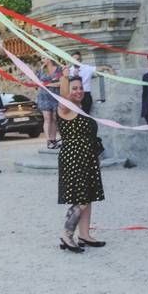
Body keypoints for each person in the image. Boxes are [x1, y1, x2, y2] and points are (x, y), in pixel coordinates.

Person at [56, 69, 106, 253]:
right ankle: (66, 233)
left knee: (88, 196)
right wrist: (64, 75)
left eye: (80, 87)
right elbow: (63, 95)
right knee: (81, 198)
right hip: (74, 157)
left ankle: (84, 234)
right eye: (74, 88)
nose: (78, 91)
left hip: (87, 156)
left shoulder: (80, 107)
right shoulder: (65, 106)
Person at [67, 51, 115, 115]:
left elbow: (101, 68)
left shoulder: (87, 68)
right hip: (73, 95)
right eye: (74, 59)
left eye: (78, 59)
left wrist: (110, 69)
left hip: (86, 95)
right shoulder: (68, 70)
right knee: (74, 115)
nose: (76, 61)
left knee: (86, 115)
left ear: (81, 60)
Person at [36, 59, 62, 149]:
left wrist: (46, 84)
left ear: (49, 58)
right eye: (41, 58)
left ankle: (54, 139)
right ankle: (49, 141)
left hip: (56, 96)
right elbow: (37, 83)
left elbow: (61, 83)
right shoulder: (41, 70)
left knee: (55, 118)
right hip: (44, 96)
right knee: (47, 118)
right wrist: (50, 84)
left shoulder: (59, 69)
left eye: (43, 57)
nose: (42, 60)